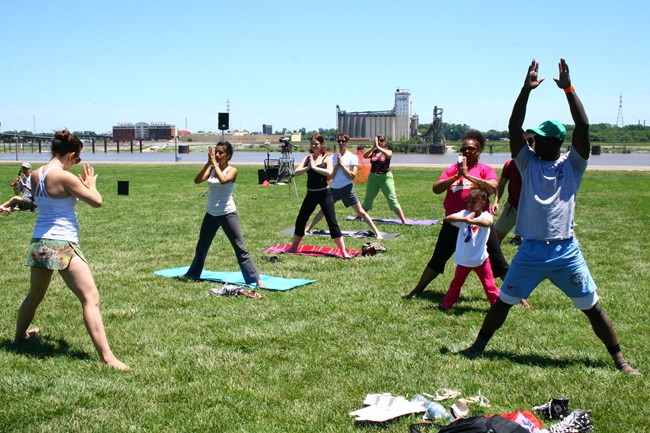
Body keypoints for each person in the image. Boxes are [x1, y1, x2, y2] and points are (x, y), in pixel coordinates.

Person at [460, 58, 639, 375]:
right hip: (529, 251)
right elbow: (514, 127)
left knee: (592, 307)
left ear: (555, 143)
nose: (533, 142)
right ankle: (477, 347)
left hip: (565, 252)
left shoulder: (573, 165)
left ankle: (620, 361)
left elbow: (583, 128)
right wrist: (525, 90)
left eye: (540, 139)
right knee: (504, 302)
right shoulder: (527, 164)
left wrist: (568, 88)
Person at [13, 129, 129, 370]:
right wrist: (91, 184)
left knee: (34, 296)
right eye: (77, 160)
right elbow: (97, 202)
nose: (76, 164)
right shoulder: (65, 177)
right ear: (71, 155)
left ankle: (19, 338)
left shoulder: (36, 175)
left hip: (39, 242)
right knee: (91, 298)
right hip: (61, 244)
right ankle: (108, 359)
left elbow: (43, 201)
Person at [403, 130, 511, 299]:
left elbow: (492, 187)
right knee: (438, 258)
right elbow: (436, 188)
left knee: (498, 262)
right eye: (464, 149)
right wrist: (456, 176)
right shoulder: (453, 170)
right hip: (455, 223)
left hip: (480, 225)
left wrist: (468, 176)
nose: (466, 152)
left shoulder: (485, 169)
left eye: (471, 149)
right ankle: (418, 289)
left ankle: (518, 296)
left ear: (479, 151)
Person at [185, 142, 265, 288]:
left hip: (227, 213)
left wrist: (214, 164)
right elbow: (197, 180)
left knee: (239, 247)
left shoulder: (232, 170)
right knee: (201, 246)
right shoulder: (212, 169)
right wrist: (208, 164)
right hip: (211, 213)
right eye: (216, 152)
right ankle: (193, 273)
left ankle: (255, 279)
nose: (217, 155)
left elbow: (223, 180)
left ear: (228, 155)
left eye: (220, 153)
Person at [306, 133, 384, 240]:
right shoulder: (333, 157)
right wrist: (337, 165)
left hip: (347, 188)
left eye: (343, 141)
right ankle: (308, 228)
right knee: (323, 210)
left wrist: (342, 165)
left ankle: (377, 232)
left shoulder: (353, 157)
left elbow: (352, 176)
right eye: (339, 141)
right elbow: (331, 175)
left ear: (347, 142)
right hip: (334, 189)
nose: (341, 143)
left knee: (360, 212)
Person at [287, 134, 350, 258]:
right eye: (312, 143)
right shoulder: (307, 158)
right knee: (301, 220)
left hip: (324, 194)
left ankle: (343, 251)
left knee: (332, 222)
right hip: (311, 194)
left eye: (317, 144)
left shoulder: (326, 158)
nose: (314, 146)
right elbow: (296, 172)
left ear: (322, 145)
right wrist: (308, 167)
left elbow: (330, 173)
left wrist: (315, 167)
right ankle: (294, 247)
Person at [440, 187, 499, 310]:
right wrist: (464, 219)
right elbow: (448, 218)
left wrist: (472, 221)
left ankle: (497, 305)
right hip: (464, 259)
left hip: (481, 259)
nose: (470, 205)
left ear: (482, 203)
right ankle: (447, 303)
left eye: (473, 202)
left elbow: (487, 224)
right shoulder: (464, 214)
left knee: (489, 284)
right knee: (456, 284)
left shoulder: (486, 216)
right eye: (468, 202)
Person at [361, 135, 409, 224]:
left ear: (385, 142)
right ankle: (359, 216)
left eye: (381, 140)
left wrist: (378, 147)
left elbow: (389, 155)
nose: (379, 142)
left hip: (386, 178)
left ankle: (403, 220)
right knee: (368, 198)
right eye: (378, 140)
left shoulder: (388, 151)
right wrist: (373, 147)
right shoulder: (373, 152)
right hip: (373, 178)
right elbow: (364, 155)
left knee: (392, 198)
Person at [492, 158, 523, 245]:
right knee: (495, 236)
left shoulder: (537, 162)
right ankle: (495, 258)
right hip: (513, 207)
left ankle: (517, 238)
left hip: (534, 209)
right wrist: (496, 201)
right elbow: (501, 185)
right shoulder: (510, 164)